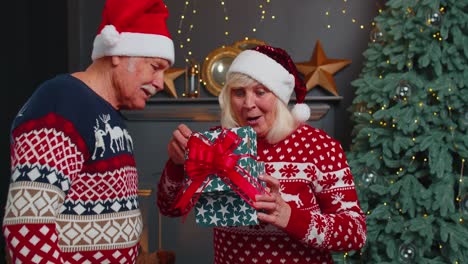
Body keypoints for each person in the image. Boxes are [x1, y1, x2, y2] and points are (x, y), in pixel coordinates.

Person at [158, 45, 367, 263]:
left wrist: (290, 217)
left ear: (278, 96)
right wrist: (176, 164)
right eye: (239, 92)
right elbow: (169, 207)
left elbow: (355, 233)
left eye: (260, 92)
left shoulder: (319, 147)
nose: (248, 104)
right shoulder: (216, 144)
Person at [2, 0, 174, 263]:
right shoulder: (61, 102)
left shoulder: (108, 112)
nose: (161, 83)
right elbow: (28, 227)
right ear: (119, 54)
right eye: (155, 67)